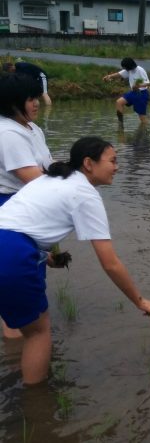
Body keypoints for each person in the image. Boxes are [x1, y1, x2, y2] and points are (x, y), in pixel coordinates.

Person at [0, 136, 150, 385]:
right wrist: (139, 300)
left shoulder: (49, 179)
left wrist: (45, 256)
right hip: (11, 254)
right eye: (113, 161)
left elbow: (23, 224)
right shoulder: (85, 195)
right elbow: (110, 263)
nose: (117, 167)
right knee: (38, 333)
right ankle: (37, 408)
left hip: (11, 246)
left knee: (18, 326)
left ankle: (11, 365)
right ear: (88, 163)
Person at [0, 74, 53, 340]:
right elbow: (33, 177)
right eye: (30, 99)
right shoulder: (7, 132)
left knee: (33, 276)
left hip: (31, 207)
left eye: (36, 97)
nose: (36, 104)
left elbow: (46, 169)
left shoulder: (32, 129)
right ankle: (17, 349)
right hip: (11, 206)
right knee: (19, 288)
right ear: (12, 103)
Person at [103, 57, 150, 125]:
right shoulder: (128, 70)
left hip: (141, 94)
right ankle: (120, 124)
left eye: (125, 67)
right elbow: (119, 74)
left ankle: (146, 131)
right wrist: (109, 76)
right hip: (133, 93)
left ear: (129, 66)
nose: (124, 69)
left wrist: (138, 85)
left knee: (142, 118)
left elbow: (148, 83)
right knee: (119, 102)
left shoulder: (140, 70)